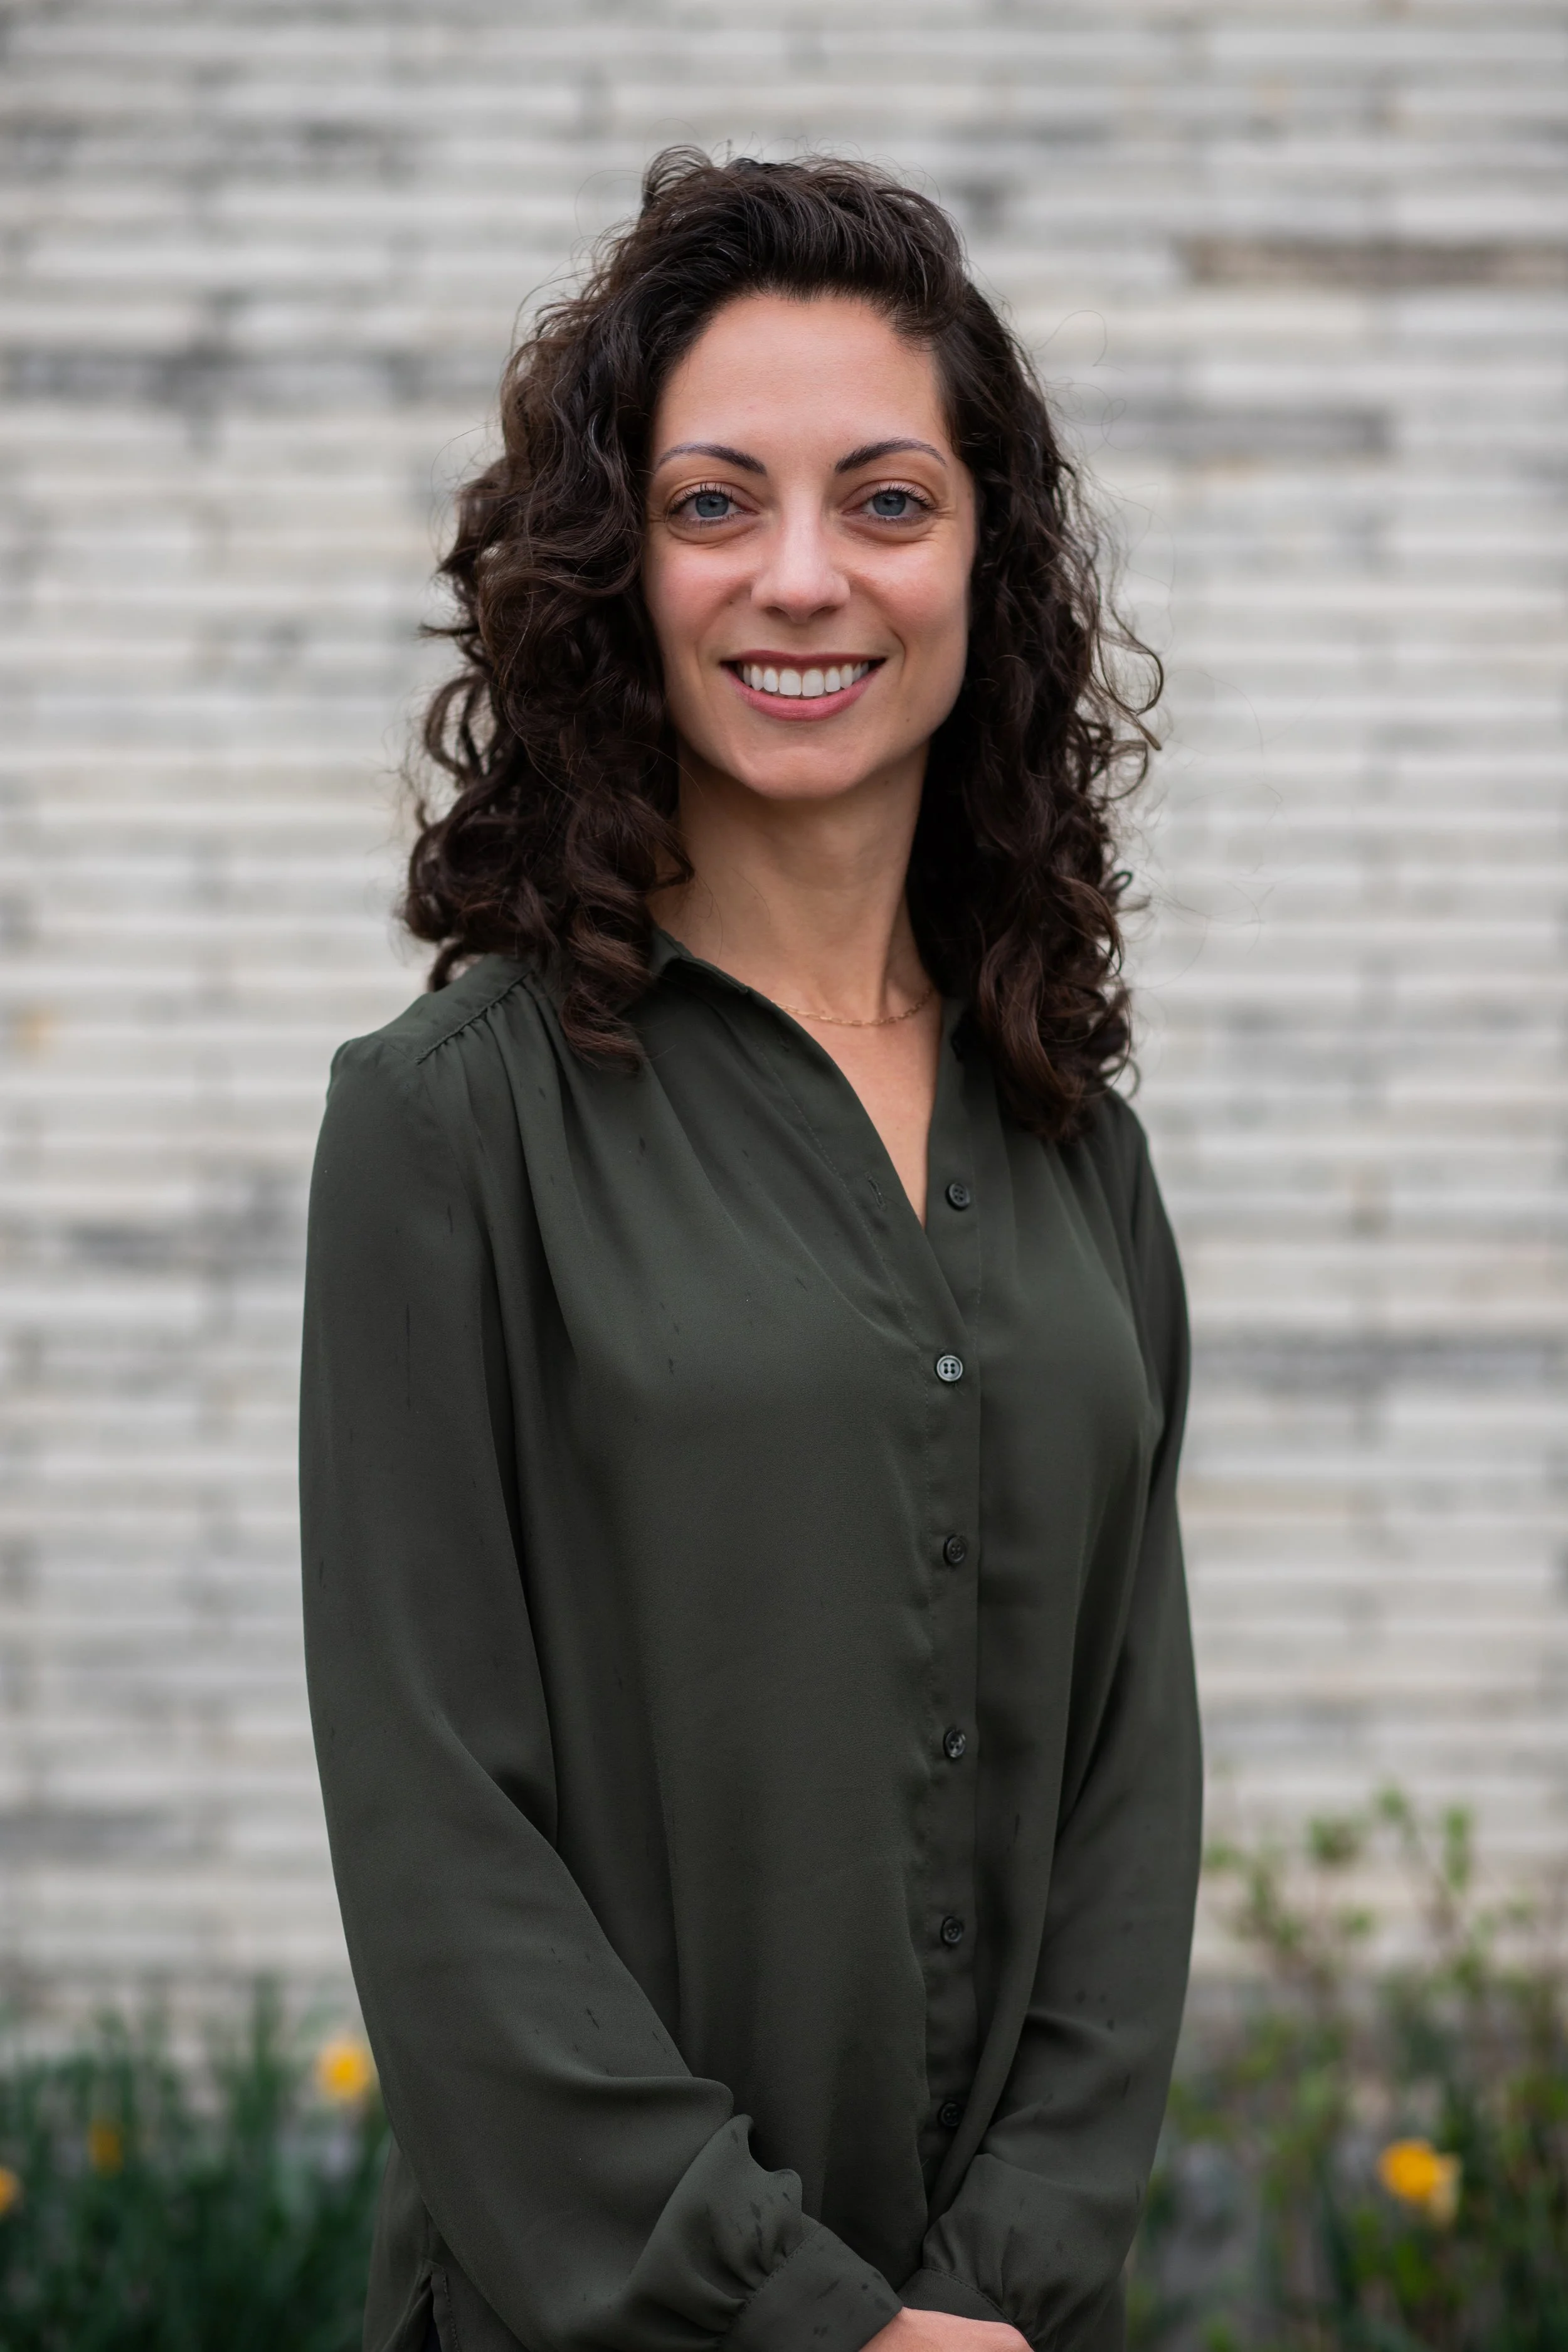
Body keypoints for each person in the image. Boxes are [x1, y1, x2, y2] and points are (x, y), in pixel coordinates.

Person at [301, 149, 1201, 2352]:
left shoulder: (1080, 1148)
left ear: (986, 562)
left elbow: (1128, 1769)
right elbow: (441, 1844)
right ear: (620, 565)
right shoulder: (450, 1127)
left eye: (884, 500)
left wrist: (998, 2290)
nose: (801, 576)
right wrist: (807, 2318)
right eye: (718, 503)